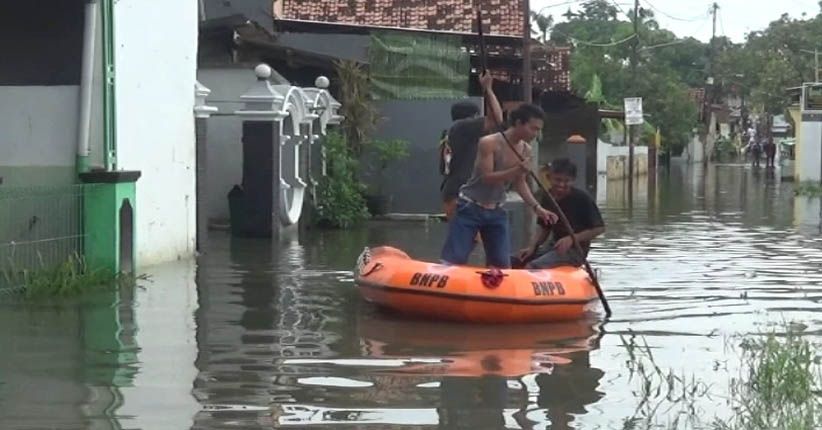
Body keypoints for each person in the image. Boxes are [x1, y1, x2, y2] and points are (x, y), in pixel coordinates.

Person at [440, 103, 558, 269]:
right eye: (533, 128)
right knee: (455, 259)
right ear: (518, 123)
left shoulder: (526, 150)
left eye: (538, 130)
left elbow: (520, 182)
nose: (536, 134)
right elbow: (487, 177)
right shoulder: (489, 143)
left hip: (496, 210)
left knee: (501, 264)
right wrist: (517, 169)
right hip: (469, 207)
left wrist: (537, 208)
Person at [511, 158, 605, 270]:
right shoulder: (547, 196)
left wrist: (572, 239)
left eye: (566, 181)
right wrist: (532, 247)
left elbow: (599, 228)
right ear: (549, 178)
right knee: (514, 261)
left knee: (533, 266)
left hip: (575, 251)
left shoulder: (582, 198)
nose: (561, 184)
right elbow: (545, 228)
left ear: (573, 180)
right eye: (557, 180)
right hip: (554, 247)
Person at [440, 71, 504, 220]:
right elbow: (496, 118)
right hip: (463, 193)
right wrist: (488, 89)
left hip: (452, 190)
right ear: (473, 117)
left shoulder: (450, 132)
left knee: (463, 240)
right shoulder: (464, 127)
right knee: (470, 239)